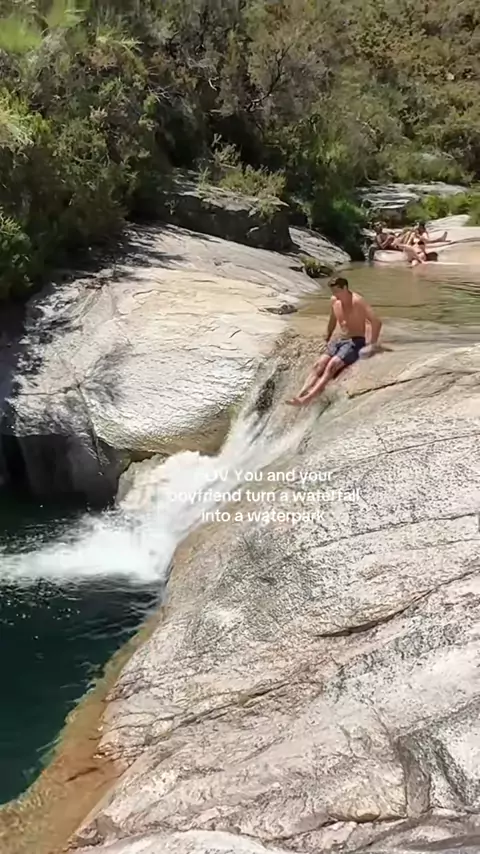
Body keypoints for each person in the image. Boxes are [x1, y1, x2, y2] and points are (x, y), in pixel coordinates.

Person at [286, 277, 382, 406]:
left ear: (345, 288)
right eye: (333, 292)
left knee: (332, 365)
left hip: (356, 341)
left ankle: (308, 398)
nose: (335, 295)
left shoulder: (357, 301)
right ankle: (300, 395)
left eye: (337, 291)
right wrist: (328, 336)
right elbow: (333, 320)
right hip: (340, 340)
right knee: (318, 365)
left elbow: (376, 322)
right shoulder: (334, 301)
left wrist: (372, 345)